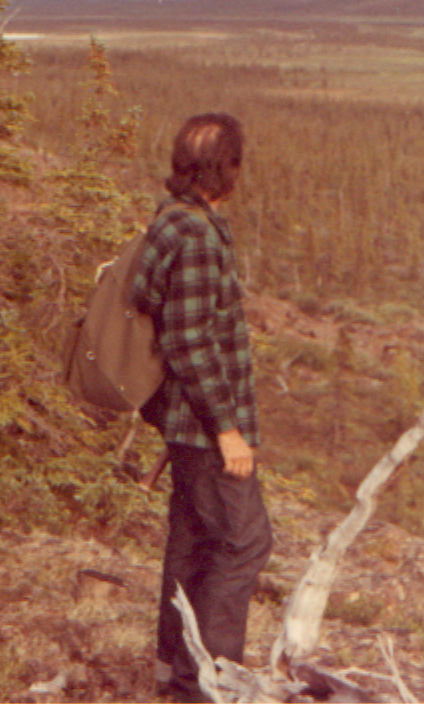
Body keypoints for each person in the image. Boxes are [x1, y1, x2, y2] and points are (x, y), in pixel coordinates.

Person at [131, 113, 273, 703]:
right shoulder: (194, 236)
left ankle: (175, 671)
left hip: (186, 427)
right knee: (244, 543)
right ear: (225, 168)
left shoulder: (173, 222)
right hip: (206, 428)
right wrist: (228, 431)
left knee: (191, 541)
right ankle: (208, 687)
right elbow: (188, 342)